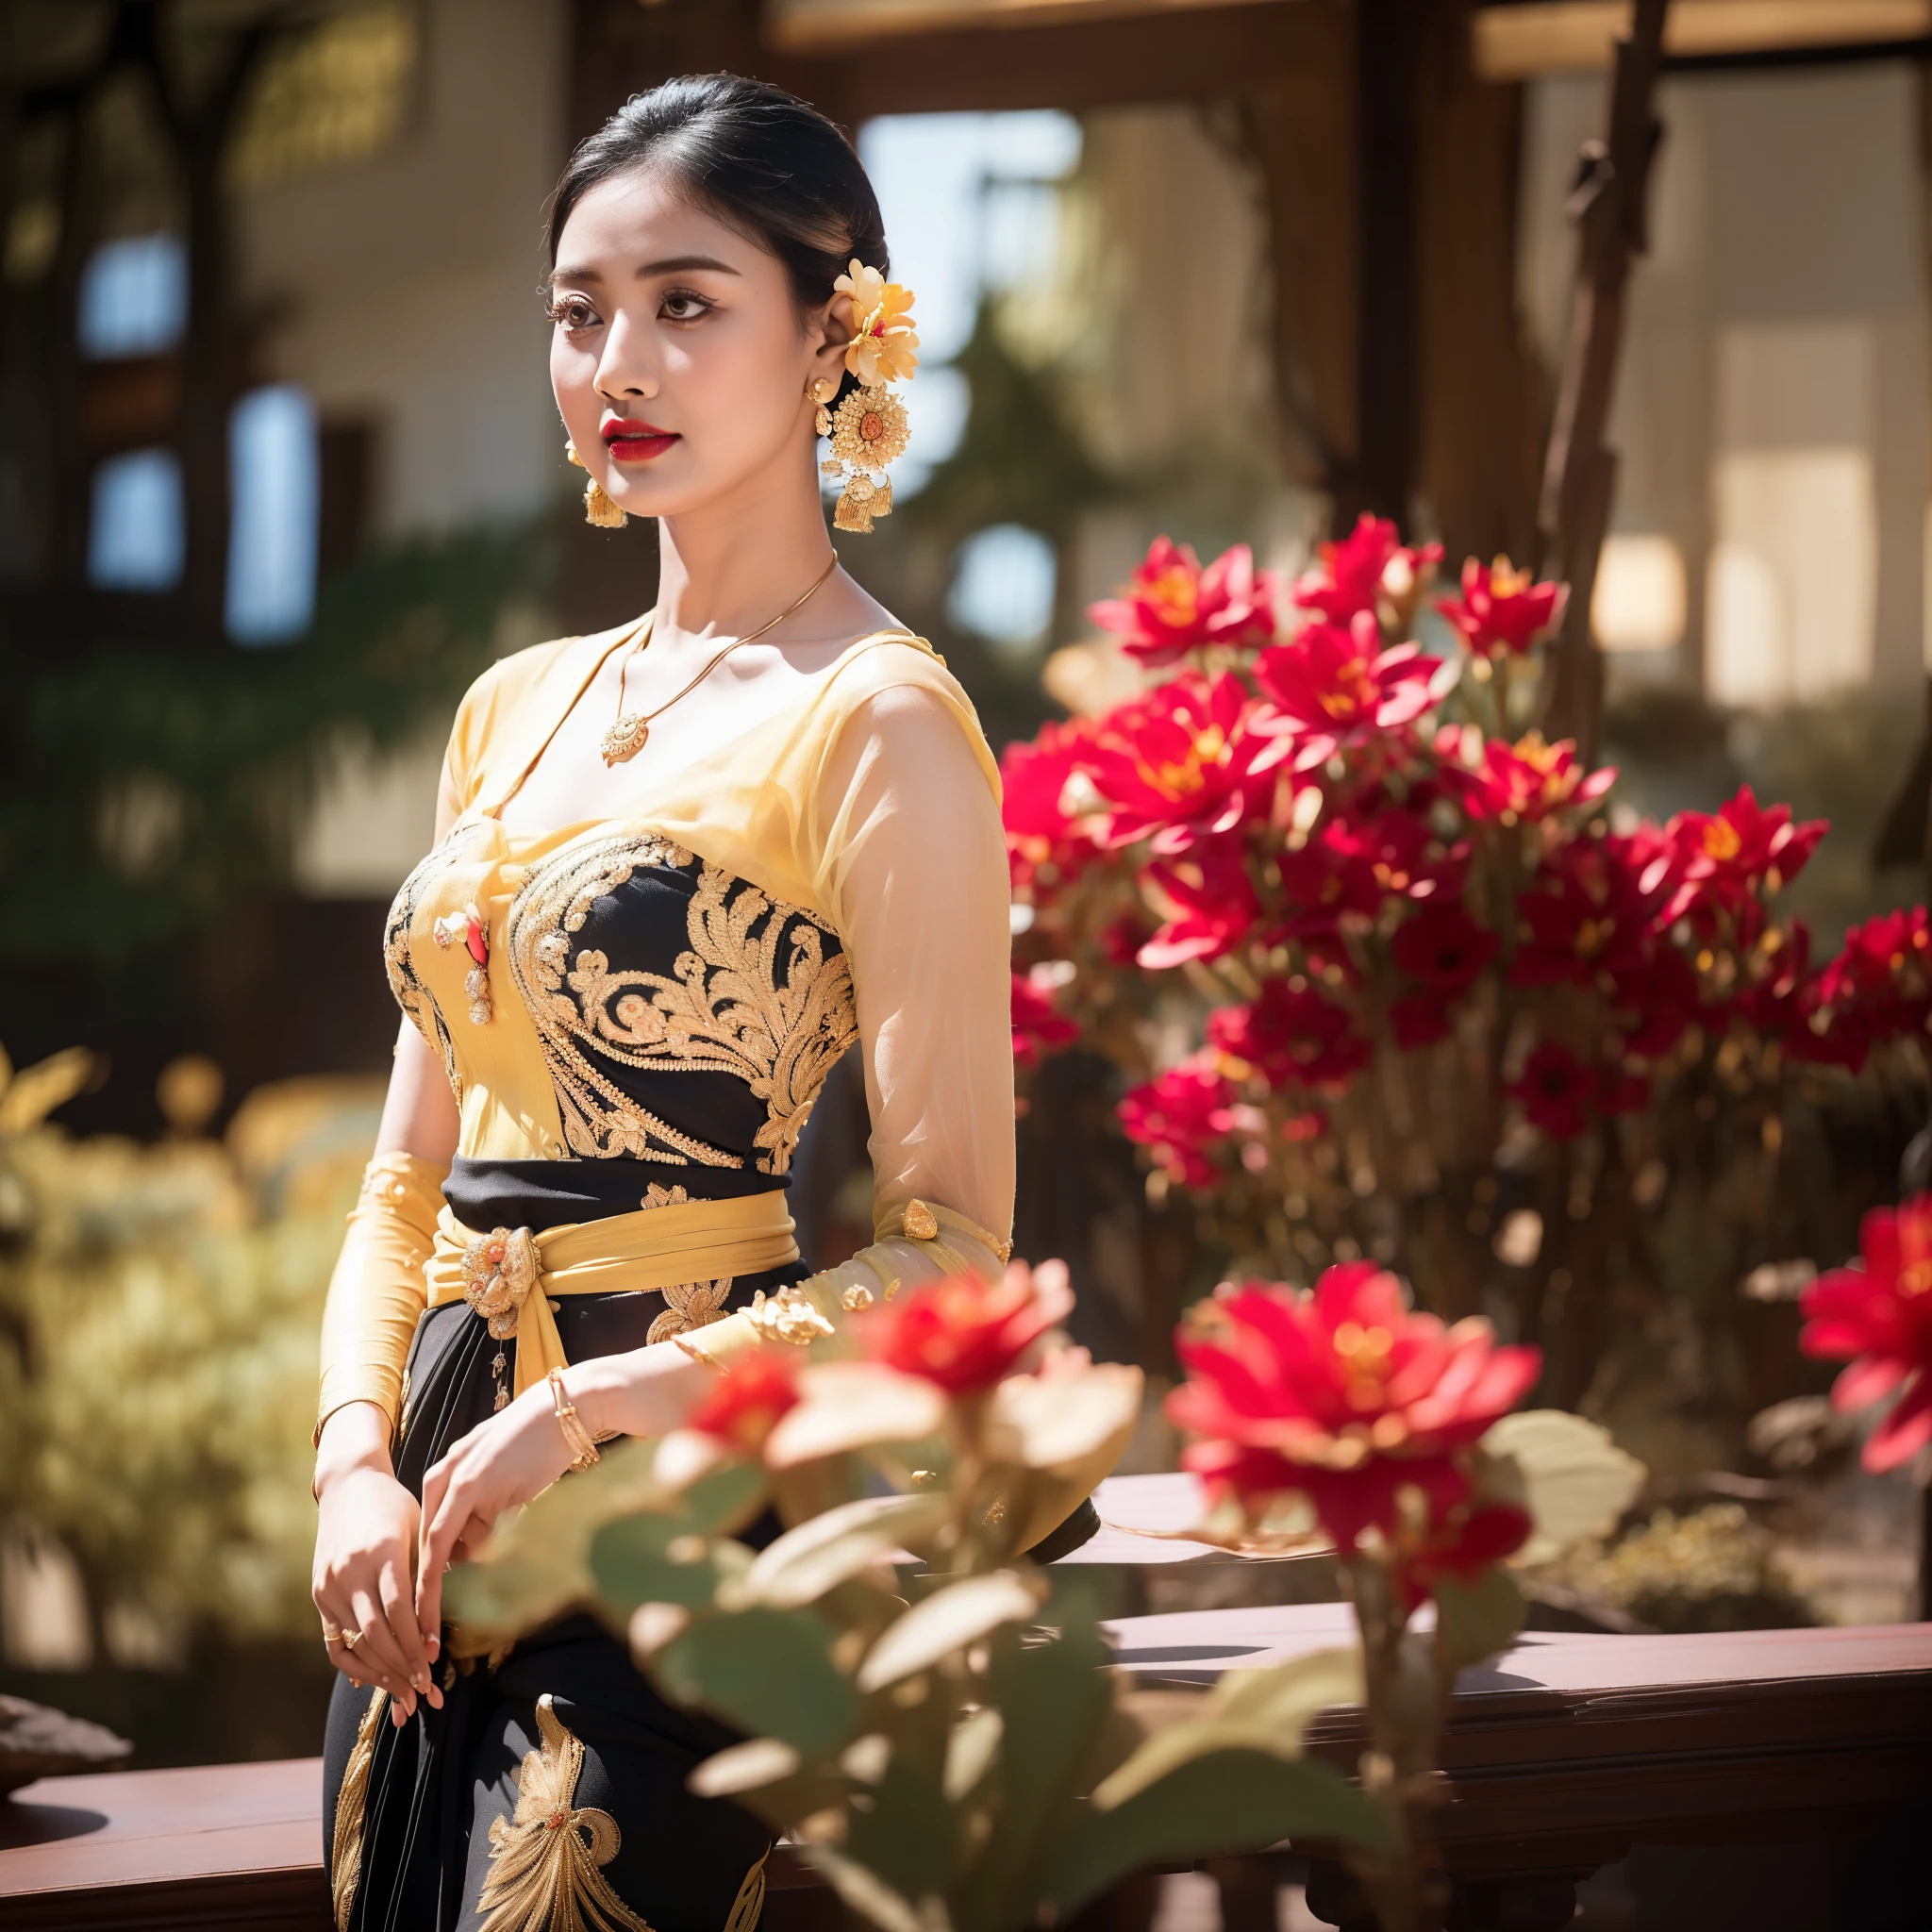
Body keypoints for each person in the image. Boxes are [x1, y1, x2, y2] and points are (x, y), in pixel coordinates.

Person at [311, 74, 1087, 1932]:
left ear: (833, 335)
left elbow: (948, 1261)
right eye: (580, 311)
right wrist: (351, 1460)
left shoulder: (880, 719)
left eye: (686, 301)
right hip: (417, 1522)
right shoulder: (512, 703)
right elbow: (405, 1174)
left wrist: (580, 1418)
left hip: (675, 1524)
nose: (617, 361)